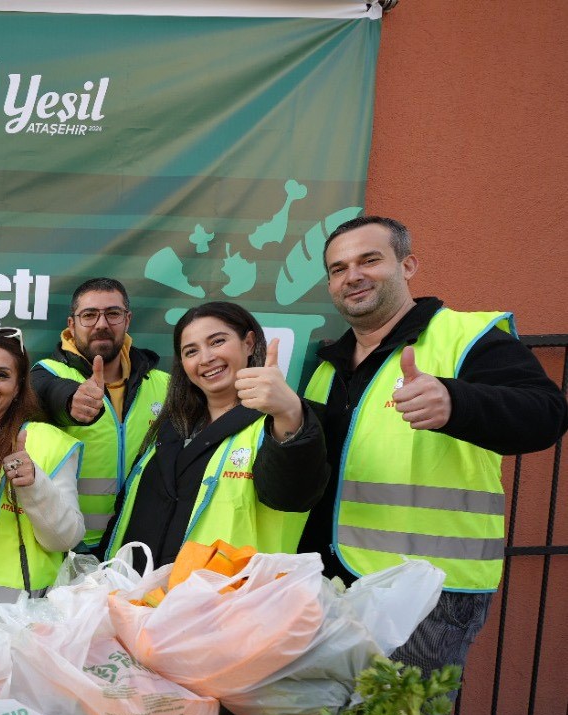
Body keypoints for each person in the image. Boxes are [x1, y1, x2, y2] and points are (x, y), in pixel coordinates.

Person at [301, 214, 568, 676]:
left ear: (408, 266)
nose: (353, 276)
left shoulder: (467, 337)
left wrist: (457, 402)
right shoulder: (327, 368)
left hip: (427, 594)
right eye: (339, 269)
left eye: (370, 260)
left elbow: (547, 415)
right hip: (332, 583)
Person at [105, 302, 326, 567]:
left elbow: (291, 495)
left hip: (229, 601)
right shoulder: (169, 428)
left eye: (217, 341)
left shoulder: (285, 422)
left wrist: (288, 413)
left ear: (249, 343)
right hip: (141, 597)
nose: (206, 358)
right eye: (191, 351)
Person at [0, 325, 83, 614]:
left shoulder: (46, 443)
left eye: (2, 375)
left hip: (6, 623)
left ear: (19, 387)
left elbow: (66, 538)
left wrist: (34, 485)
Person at [31, 278, 171, 552]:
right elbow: (49, 392)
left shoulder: (165, 386)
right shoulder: (47, 373)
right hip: (68, 547)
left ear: (127, 320)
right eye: (89, 315)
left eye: (113, 313)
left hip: (139, 546)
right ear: (72, 325)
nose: (102, 324)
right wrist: (71, 401)